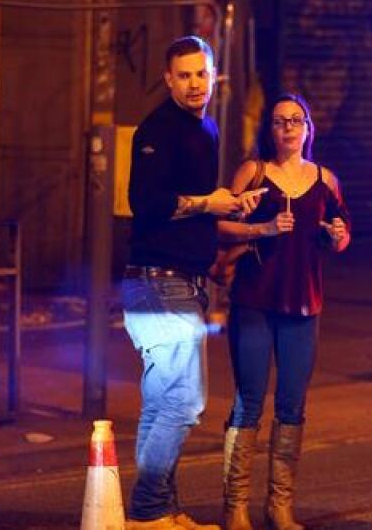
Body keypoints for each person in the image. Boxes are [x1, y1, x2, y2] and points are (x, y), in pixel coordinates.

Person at [122, 35, 262, 530]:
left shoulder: (205, 127)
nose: (194, 84)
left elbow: (204, 208)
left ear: (214, 73)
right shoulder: (158, 128)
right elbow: (149, 203)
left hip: (177, 282)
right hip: (160, 283)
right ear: (168, 79)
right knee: (185, 403)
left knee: (163, 401)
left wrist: (238, 213)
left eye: (201, 73)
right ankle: (147, 510)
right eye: (184, 76)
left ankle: (163, 510)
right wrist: (209, 203)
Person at [216, 94, 351, 530]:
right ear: (269, 130)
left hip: (304, 304)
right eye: (279, 122)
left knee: (292, 406)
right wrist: (264, 227)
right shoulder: (253, 172)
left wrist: (336, 234)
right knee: (249, 401)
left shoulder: (326, 180)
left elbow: (343, 234)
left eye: (296, 120)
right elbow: (220, 225)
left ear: (308, 128)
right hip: (254, 301)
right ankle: (235, 506)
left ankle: (280, 507)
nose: (288, 128)